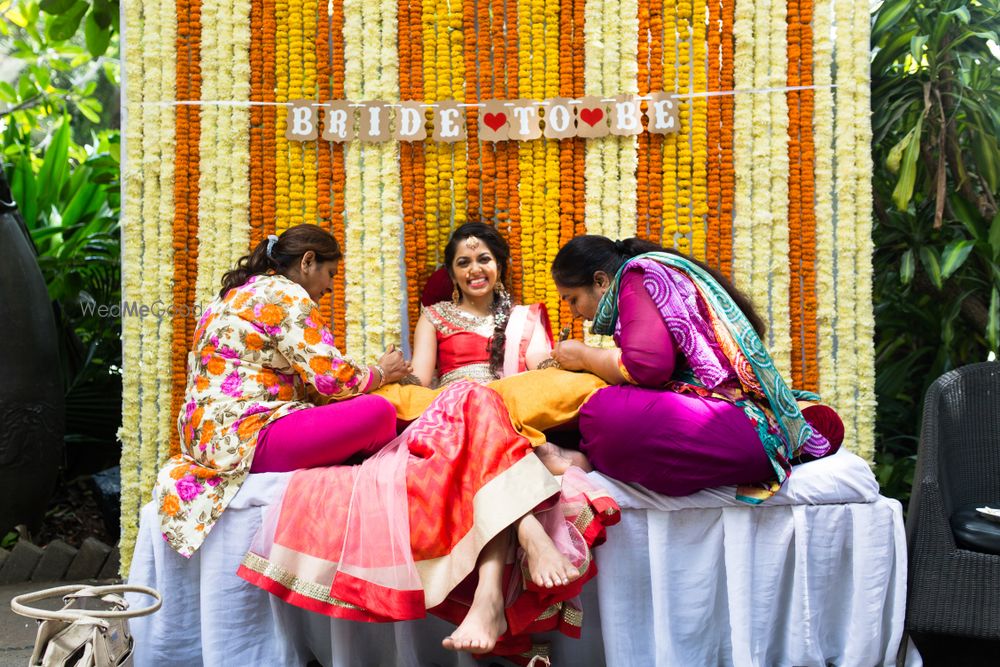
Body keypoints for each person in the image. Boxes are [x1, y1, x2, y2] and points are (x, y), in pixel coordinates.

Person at [156, 224, 411, 558]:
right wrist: (382, 372)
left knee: (360, 412)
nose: (331, 286)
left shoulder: (235, 293)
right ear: (307, 262)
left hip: (206, 439)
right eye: (331, 273)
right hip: (246, 437)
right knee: (379, 413)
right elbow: (330, 379)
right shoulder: (285, 294)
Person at [548, 235, 842, 502]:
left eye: (573, 299)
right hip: (724, 413)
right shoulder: (644, 276)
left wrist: (585, 356)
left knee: (602, 412)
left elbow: (647, 366)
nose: (575, 313)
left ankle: (787, 435)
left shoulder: (635, 277)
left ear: (600, 281)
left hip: (740, 424)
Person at [410, 222, 554, 387]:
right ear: (453, 275)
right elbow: (419, 381)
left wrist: (565, 362)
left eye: (484, 259)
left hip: (510, 406)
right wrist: (390, 373)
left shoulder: (524, 318)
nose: (475, 269)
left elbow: (542, 367)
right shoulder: (433, 317)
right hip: (452, 408)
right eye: (464, 263)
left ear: (498, 267)